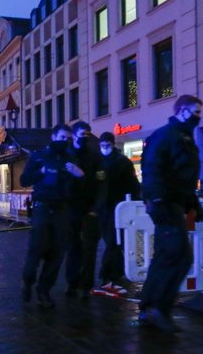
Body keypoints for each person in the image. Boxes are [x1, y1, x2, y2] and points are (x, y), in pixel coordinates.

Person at [137, 95, 203, 333]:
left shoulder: (183, 137)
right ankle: (157, 308)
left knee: (166, 256)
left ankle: (151, 308)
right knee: (179, 256)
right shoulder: (166, 136)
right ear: (182, 110)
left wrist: (193, 202)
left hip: (172, 203)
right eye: (195, 111)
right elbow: (154, 169)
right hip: (165, 204)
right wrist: (156, 200)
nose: (198, 116)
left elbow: (183, 177)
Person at [20, 124, 85, 308]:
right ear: (54, 136)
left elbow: (77, 190)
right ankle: (27, 281)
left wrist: (79, 176)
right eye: (62, 137)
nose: (66, 141)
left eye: (68, 138)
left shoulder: (70, 159)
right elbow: (24, 180)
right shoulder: (39, 156)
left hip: (62, 210)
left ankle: (44, 291)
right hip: (42, 208)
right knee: (36, 250)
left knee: (57, 253)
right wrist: (40, 171)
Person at [90, 132, 141, 298]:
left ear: (112, 144)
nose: (104, 149)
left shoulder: (122, 162)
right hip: (105, 207)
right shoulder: (99, 161)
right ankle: (113, 272)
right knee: (113, 241)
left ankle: (109, 273)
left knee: (114, 241)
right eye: (102, 146)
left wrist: (135, 201)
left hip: (118, 206)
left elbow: (133, 185)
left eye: (107, 146)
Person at [64, 121, 100, 298]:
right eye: (82, 134)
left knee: (89, 248)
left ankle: (86, 285)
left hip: (89, 208)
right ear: (74, 135)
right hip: (70, 208)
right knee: (73, 247)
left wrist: (96, 207)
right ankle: (72, 283)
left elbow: (99, 183)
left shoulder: (94, 155)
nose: (85, 137)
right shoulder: (66, 154)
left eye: (88, 134)